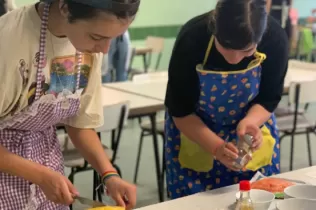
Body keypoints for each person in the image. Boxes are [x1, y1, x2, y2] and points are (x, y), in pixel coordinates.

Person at [0, 0, 140, 209]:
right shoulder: (8, 42)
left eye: (113, 39)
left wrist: (109, 174)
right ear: (65, 7)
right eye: (97, 37)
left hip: (48, 168)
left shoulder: (87, 49)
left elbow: (80, 124)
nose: (104, 50)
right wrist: (38, 174)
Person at [164, 0, 288, 199]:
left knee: (255, 201)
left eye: (247, 51)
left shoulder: (275, 39)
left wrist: (251, 122)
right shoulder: (192, 38)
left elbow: (269, 98)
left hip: (249, 140)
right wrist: (216, 147)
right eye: (225, 47)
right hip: (197, 135)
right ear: (214, 27)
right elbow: (180, 110)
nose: (234, 59)